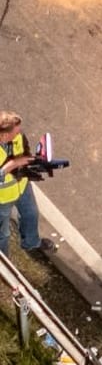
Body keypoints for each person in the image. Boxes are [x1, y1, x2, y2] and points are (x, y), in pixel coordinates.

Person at [0, 111, 56, 260]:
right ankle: (5, 264)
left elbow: (25, 153)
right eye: (16, 131)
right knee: (3, 235)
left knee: (31, 215)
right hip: (2, 200)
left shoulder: (18, 136)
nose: (19, 132)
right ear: (4, 135)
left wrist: (35, 162)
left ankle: (31, 243)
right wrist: (11, 166)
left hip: (22, 186)